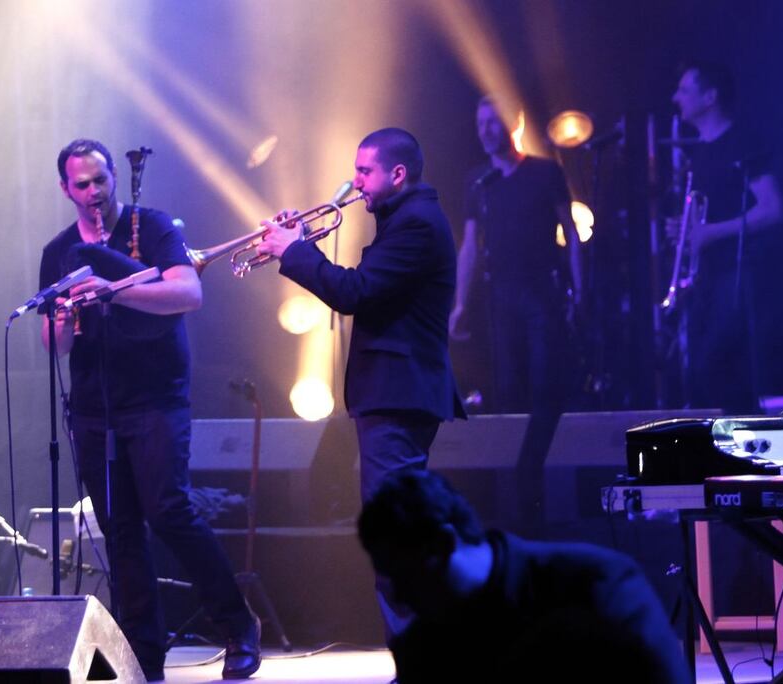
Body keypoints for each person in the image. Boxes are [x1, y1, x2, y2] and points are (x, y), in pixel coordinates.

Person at [38, 139, 260, 681]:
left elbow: (187, 293)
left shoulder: (152, 226)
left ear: (114, 176)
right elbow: (53, 344)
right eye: (81, 184)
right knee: (120, 530)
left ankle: (237, 625)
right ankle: (143, 653)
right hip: (94, 405)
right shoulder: (58, 250)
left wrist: (112, 291)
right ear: (66, 189)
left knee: (169, 510)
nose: (93, 193)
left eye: (100, 180)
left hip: (156, 395)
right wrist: (65, 317)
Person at [257, 128, 465, 638]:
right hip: (393, 393)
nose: (355, 183)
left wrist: (294, 252)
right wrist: (300, 246)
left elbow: (355, 292)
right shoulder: (405, 220)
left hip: (399, 394)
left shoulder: (415, 224)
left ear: (398, 174)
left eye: (365, 171)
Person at [358, 469, 691, 684]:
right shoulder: (421, 649)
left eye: (406, 575)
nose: (400, 598)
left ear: (444, 543)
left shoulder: (597, 586)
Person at [449, 96, 582, 531]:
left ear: (515, 124)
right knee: (508, 390)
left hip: (542, 292)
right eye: (480, 122)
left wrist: (581, 290)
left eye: (494, 122)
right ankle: (515, 501)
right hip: (500, 299)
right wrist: (461, 303)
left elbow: (571, 233)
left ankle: (542, 490)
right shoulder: (479, 182)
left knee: (545, 387)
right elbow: (471, 245)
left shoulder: (544, 172)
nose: (487, 129)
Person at [670, 60, 783, 412]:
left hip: (737, 278)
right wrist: (687, 231)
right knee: (703, 376)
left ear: (710, 97)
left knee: (718, 369)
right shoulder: (701, 151)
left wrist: (709, 232)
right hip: (709, 278)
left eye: (685, 90)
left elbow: (772, 209)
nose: (676, 98)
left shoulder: (740, 143)